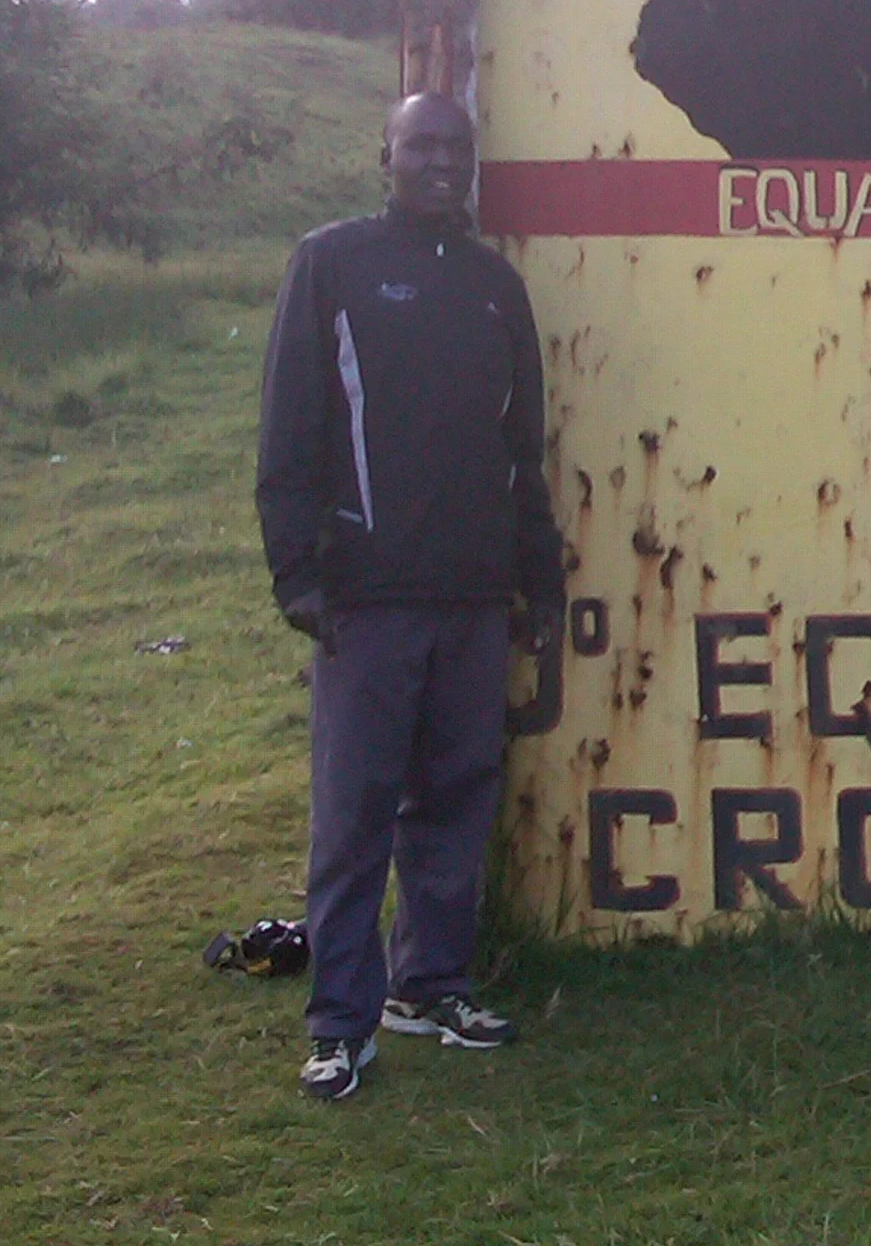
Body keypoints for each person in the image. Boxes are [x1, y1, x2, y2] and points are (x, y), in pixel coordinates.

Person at [256, 93, 565, 1099]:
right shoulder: (333, 266)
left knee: (457, 798)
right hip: (367, 597)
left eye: (456, 148)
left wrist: (537, 579)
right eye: (420, 145)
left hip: (473, 597)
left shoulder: (492, 286)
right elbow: (290, 427)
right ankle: (340, 1023)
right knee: (354, 812)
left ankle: (428, 984)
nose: (440, 162)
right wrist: (294, 572)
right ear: (382, 154)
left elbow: (523, 450)